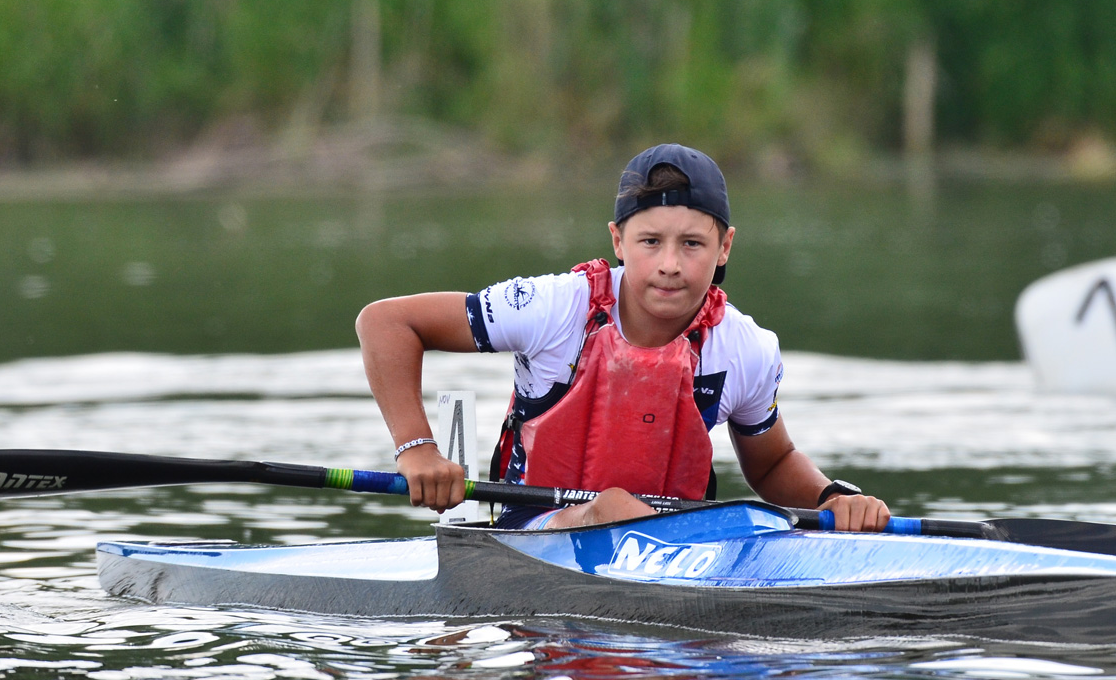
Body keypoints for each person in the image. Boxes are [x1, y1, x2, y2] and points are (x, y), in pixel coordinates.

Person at [355, 143, 891, 532]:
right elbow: (385, 323)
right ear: (618, 240)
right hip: (531, 531)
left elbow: (772, 465)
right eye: (650, 241)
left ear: (725, 247)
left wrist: (834, 498)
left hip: (679, 540)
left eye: (693, 245)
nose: (670, 265)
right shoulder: (554, 306)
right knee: (613, 507)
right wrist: (418, 450)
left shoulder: (746, 347)